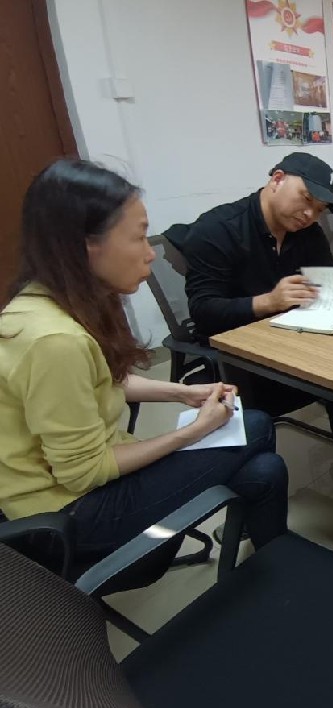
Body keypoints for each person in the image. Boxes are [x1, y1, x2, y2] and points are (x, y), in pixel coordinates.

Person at [0, 159, 289, 555]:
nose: (150, 254)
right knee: (254, 426)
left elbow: (100, 380)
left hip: (82, 485)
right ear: (87, 245)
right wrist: (193, 432)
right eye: (138, 237)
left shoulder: (46, 302)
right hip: (69, 517)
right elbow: (84, 473)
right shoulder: (55, 340)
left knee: (266, 470)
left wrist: (182, 393)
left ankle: (273, 565)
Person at [182, 152, 333, 528]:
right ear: (277, 179)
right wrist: (267, 302)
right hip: (241, 361)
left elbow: (327, 284)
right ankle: (251, 501)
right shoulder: (217, 229)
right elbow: (203, 311)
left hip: (297, 342)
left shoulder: (307, 233)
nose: (310, 214)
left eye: (319, 209)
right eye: (306, 199)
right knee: (272, 407)